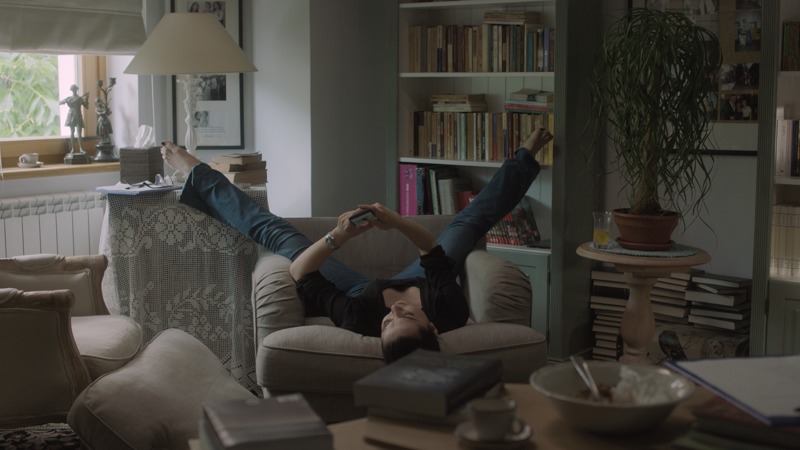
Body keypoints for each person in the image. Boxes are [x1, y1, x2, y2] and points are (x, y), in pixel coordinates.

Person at [160, 128, 553, 362]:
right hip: (425, 277)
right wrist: (394, 220)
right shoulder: (449, 310)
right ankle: (525, 157)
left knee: (276, 232)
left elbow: (301, 272)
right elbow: (432, 254)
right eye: (406, 317)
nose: (395, 311)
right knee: (468, 223)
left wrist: (339, 237)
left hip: (358, 290)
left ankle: (197, 173)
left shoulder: (359, 317)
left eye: (388, 323)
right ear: (432, 325)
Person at [59, 84, 89, 154]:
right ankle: (73, 148)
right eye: (73, 89)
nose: (74, 91)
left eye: (75, 89)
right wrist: (65, 101)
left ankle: (81, 148)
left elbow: (86, 107)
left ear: (76, 90)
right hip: (71, 115)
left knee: (79, 133)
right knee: (72, 132)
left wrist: (86, 99)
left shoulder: (80, 98)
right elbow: (60, 103)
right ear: (72, 90)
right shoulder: (69, 98)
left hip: (78, 115)